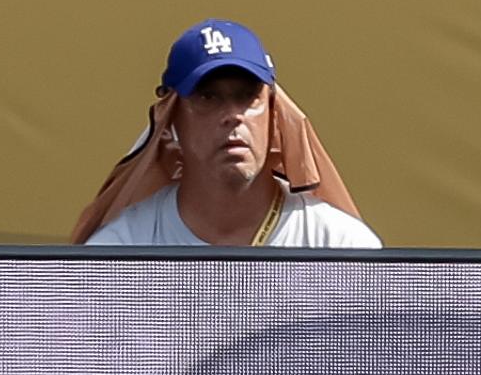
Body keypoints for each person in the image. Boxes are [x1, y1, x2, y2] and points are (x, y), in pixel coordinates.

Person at [74, 20, 379, 248]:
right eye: (208, 98)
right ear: (170, 121)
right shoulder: (121, 251)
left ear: (274, 115)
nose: (233, 116)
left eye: (248, 97)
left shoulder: (340, 245)